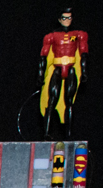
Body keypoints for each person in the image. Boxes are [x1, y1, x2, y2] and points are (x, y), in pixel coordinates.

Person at [38, 7, 88, 140]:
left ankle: (69, 134)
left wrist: (83, 72)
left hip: (71, 68)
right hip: (57, 68)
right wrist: (41, 75)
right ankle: (46, 133)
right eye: (64, 18)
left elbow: (83, 54)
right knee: (51, 101)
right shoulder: (51, 37)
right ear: (60, 19)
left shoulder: (78, 35)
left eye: (69, 18)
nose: (67, 21)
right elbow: (43, 56)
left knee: (69, 102)